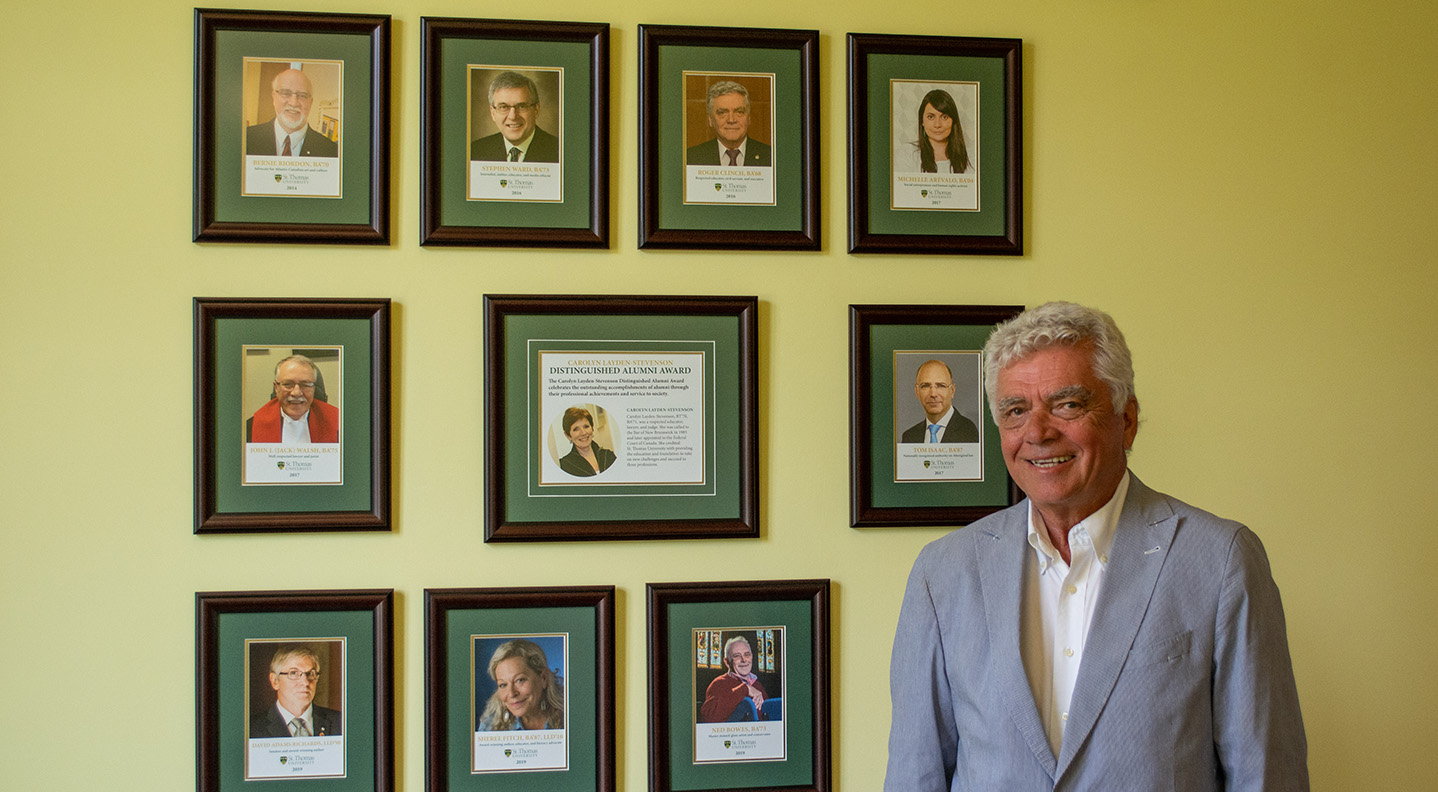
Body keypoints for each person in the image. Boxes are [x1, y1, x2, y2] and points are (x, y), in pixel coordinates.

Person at [885, 301, 1307, 791]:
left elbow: (1267, 775)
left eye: (1067, 404)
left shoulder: (1222, 561)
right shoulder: (943, 573)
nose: (1038, 432)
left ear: (1126, 420)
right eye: (1015, 411)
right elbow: (915, 775)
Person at [250, 645, 342, 738]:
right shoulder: (252, 728)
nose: (305, 682)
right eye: (293, 673)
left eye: (310, 674)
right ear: (275, 681)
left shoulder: (340, 722)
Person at [244, 68, 339, 158]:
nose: (294, 103)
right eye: (286, 93)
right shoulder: (245, 139)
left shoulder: (331, 151)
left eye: (302, 95)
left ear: (311, 102)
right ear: (274, 97)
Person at [247, 355, 339, 444]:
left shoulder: (339, 424)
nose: (296, 393)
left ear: (314, 388)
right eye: (287, 384)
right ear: (276, 388)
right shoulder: (250, 427)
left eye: (306, 385)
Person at [469, 71, 559, 163]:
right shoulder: (475, 151)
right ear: (492, 113)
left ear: (536, 110)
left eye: (521, 106)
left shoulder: (558, 150)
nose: (512, 116)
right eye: (503, 107)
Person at [477, 639, 565, 731]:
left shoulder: (570, 712)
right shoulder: (490, 723)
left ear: (543, 678)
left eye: (519, 680)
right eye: (503, 685)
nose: (511, 693)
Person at [685, 81, 772, 167]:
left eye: (739, 112)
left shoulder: (771, 156)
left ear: (749, 118)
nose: (731, 120)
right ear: (710, 120)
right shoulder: (691, 158)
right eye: (722, 113)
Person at [699, 636, 781, 723]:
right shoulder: (718, 684)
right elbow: (709, 719)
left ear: (752, 657)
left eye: (747, 654)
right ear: (727, 662)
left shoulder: (757, 685)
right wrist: (745, 689)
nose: (744, 660)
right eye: (737, 656)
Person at [899, 359, 980, 444]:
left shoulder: (969, 432)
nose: (933, 394)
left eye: (941, 386)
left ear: (952, 390)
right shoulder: (909, 437)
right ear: (917, 391)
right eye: (925, 386)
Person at [895, 88, 970, 174]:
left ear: (953, 121)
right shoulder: (907, 154)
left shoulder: (971, 158)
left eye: (944, 117)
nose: (937, 124)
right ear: (922, 121)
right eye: (931, 117)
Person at [558, 406, 616, 477]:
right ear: (568, 435)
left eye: (586, 426)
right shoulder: (565, 465)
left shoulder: (608, 455)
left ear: (592, 428)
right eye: (576, 429)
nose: (583, 433)